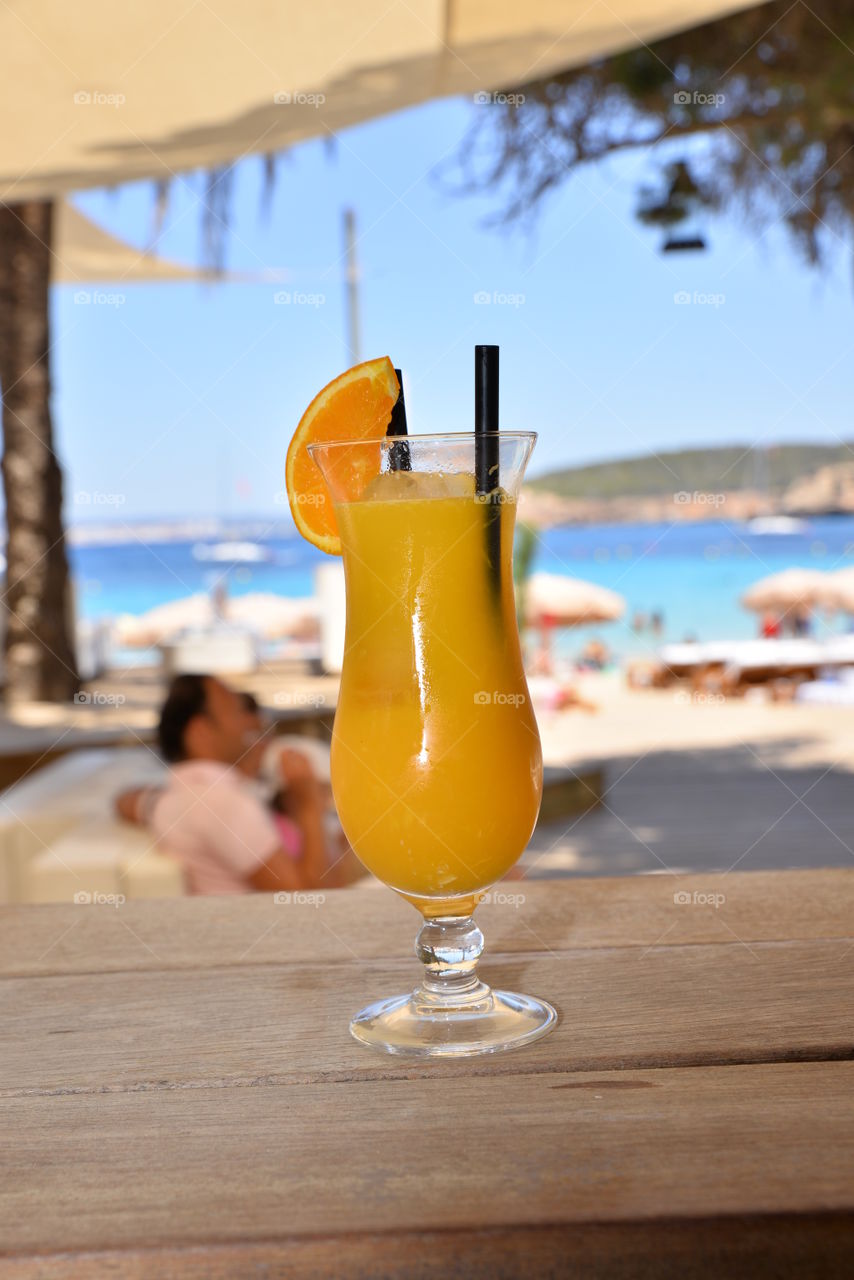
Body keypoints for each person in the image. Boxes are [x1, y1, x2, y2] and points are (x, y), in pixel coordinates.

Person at [116, 674, 339, 895]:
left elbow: (125, 801)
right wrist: (309, 805)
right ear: (200, 732)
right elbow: (308, 901)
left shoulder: (176, 797)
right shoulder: (225, 803)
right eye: (237, 711)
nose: (254, 722)